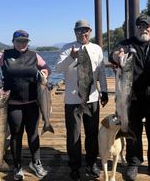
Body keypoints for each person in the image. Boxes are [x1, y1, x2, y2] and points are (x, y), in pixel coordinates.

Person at [109, 14, 150, 181]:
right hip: (131, 97)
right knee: (133, 130)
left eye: (146, 26)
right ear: (136, 28)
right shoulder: (127, 44)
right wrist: (117, 56)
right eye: (140, 26)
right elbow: (113, 54)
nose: (143, 29)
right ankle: (133, 162)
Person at [0, 30, 51, 181]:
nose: (22, 44)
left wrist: (44, 72)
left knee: (33, 133)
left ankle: (36, 163)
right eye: (19, 41)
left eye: (25, 41)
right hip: (12, 104)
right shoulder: (4, 55)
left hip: (33, 103)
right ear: (13, 42)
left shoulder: (34, 55)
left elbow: (47, 68)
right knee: (16, 135)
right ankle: (17, 166)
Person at [56, 20, 109, 181]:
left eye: (85, 30)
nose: (82, 33)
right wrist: (71, 58)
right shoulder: (67, 48)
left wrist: (104, 91)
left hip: (92, 98)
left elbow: (101, 72)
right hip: (72, 100)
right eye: (79, 30)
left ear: (90, 32)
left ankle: (91, 163)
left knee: (92, 134)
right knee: (74, 135)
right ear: (74, 32)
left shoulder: (97, 49)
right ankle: (74, 166)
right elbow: (58, 69)